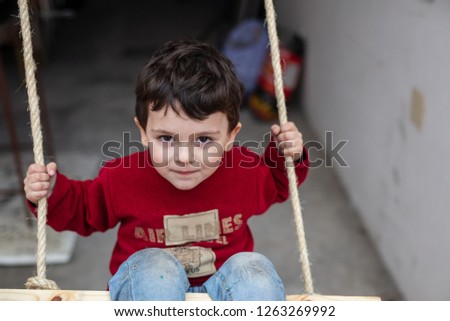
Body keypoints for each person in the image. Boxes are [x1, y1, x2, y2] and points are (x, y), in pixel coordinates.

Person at [24, 39, 309, 301]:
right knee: (154, 266)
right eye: (167, 139)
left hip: (224, 294)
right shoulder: (124, 177)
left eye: (204, 140)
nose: (184, 157)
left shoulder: (242, 171)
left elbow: (277, 181)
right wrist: (51, 192)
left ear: (231, 136)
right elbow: (85, 208)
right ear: (144, 132)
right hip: (150, 294)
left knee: (253, 268)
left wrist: (287, 154)